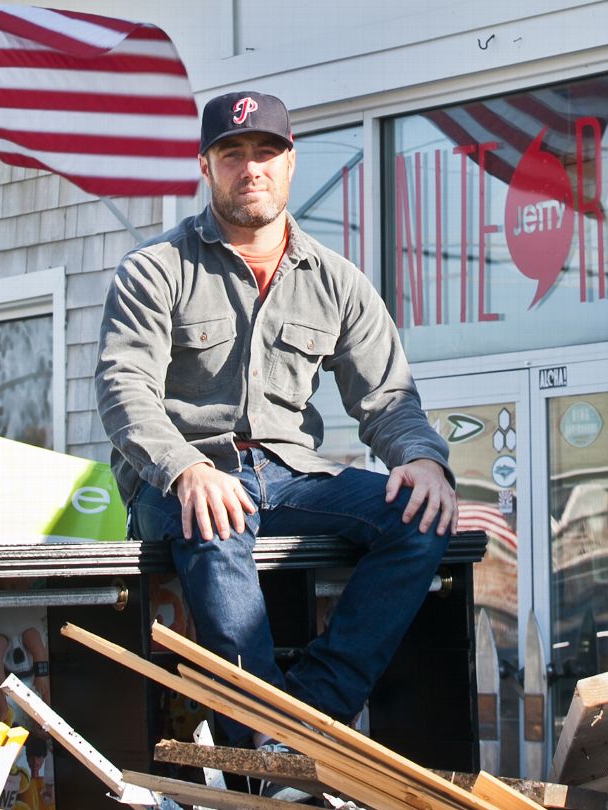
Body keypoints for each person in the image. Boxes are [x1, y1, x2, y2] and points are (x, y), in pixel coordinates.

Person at [95, 91, 457, 755]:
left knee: (420, 517)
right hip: (175, 485)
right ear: (206, 167)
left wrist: (424, 460)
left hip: (290, 475)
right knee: (216, 518)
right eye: (232, 153)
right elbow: (125, 390)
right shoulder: (155, 269)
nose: (251, 167)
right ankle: (266, 750)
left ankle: (315, 712)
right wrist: (188, 469)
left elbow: (389, 397)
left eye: (267, 152)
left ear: (291, 163)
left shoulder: (337, 280)